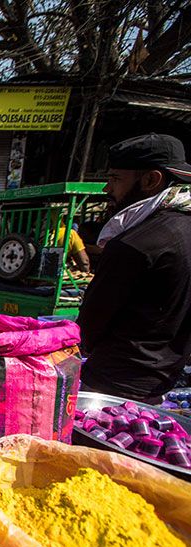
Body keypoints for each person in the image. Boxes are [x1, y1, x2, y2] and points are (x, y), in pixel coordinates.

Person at [77, 133, 191, 402]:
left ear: (151, 180)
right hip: (161, 382)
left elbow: (87, 328)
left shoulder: (136, 243)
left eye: (115, 179)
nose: (107, 189)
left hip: (111, 385)